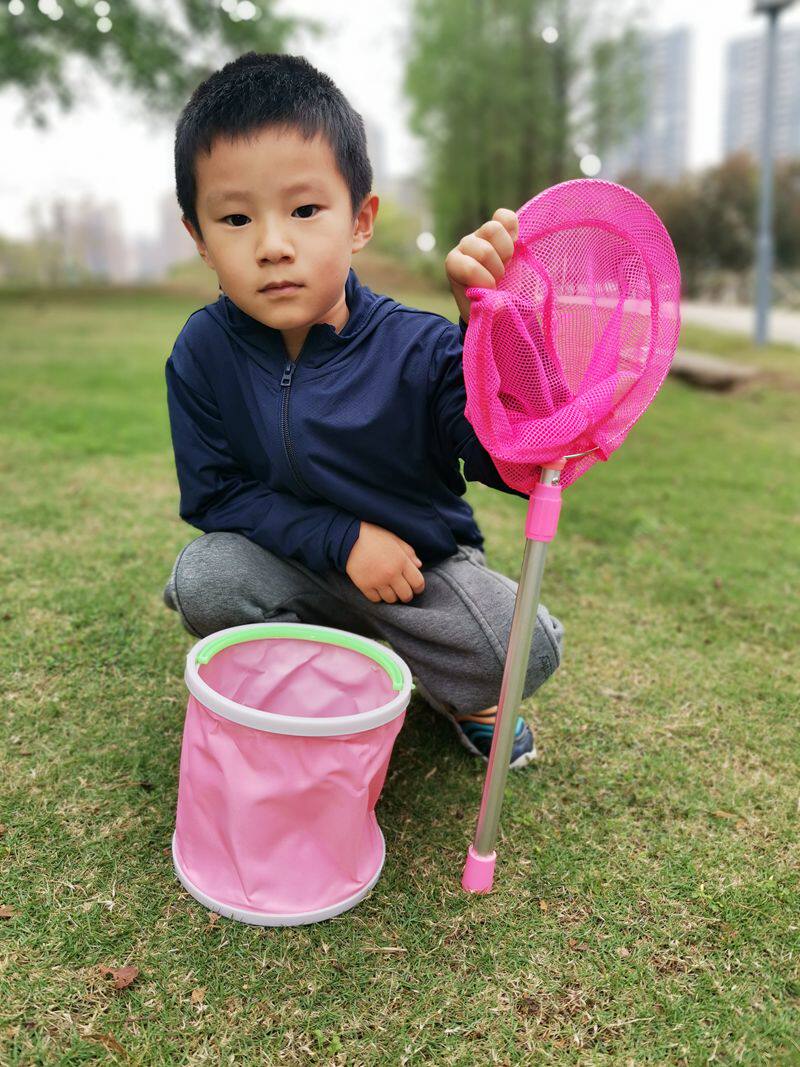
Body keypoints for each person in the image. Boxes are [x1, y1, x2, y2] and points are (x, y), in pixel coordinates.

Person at [163, 51, 564, 770]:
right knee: (206, 579)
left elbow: (516, 464)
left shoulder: (422, 347)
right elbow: (214, 494)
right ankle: (327, 684)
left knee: (520, 648)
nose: (273, 246)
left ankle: (456, 691)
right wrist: (342, 538)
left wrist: (492, 330)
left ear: (360, 220)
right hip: (295, 564)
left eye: (305, 210)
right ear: (199, 237)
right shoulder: (202, 351)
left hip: (419, 575)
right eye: (235, 218)